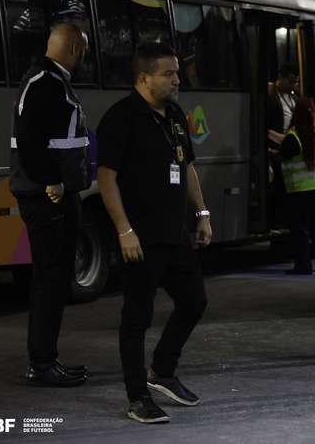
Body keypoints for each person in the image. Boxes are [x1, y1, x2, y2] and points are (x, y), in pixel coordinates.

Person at [97, 42, 211, 424]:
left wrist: (202, 212)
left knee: (194, 301)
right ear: (144, 78)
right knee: (137, 318)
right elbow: (106, 178)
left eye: (177, 72)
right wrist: (123, 230)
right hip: (140, 237)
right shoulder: (122, 117)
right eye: (169, 74)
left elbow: (188, 167)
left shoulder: (175, 114)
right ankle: (137, 396)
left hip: (174, 233)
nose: (178, 79)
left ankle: (162, 370)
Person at [9, 22, 90, 387]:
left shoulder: (45, 80)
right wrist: (52, 182)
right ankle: (42, 363)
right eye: (84, 51)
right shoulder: (45, 82)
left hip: (51, 195)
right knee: (51, 279)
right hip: (47, 198)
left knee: (54, 279)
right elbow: (29, 141)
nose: (85, 59)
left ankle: (46, 359)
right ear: (73, 48)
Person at [280, 98, 315, 275]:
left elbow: (284, 156)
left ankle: (303, 265)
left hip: (301, 189)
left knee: (299, 228)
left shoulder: (293, 136)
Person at [266, 64, 300, 226]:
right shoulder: (270, 95)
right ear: (281, 79)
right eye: (292, 82)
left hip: (287, 146)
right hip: (274, 147)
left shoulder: (292, 96)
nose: (294, 86)